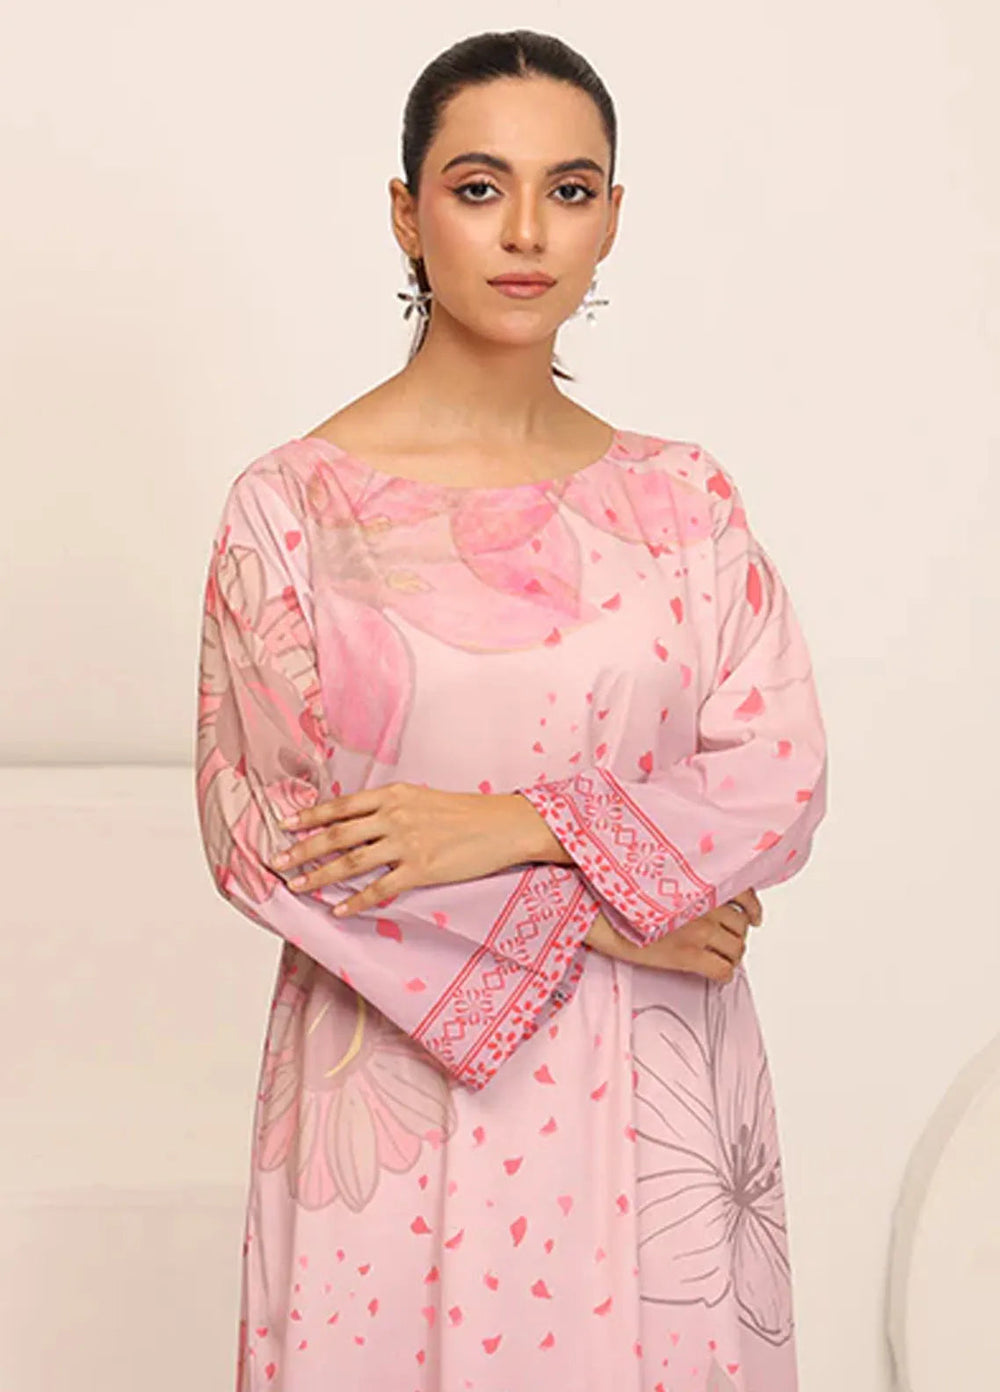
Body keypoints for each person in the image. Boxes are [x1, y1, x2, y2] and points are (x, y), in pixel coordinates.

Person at [194, 28, 828, 1392]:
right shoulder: (294, 509)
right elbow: (264, 836)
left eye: (571, 189)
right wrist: (606, 909)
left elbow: (776, 778)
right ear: (406, 211)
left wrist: (517, 825)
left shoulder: (684, 503)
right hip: (398, 1087)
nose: (528, 231)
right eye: (479, 188)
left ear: (614, 217)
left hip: (659, 1085)